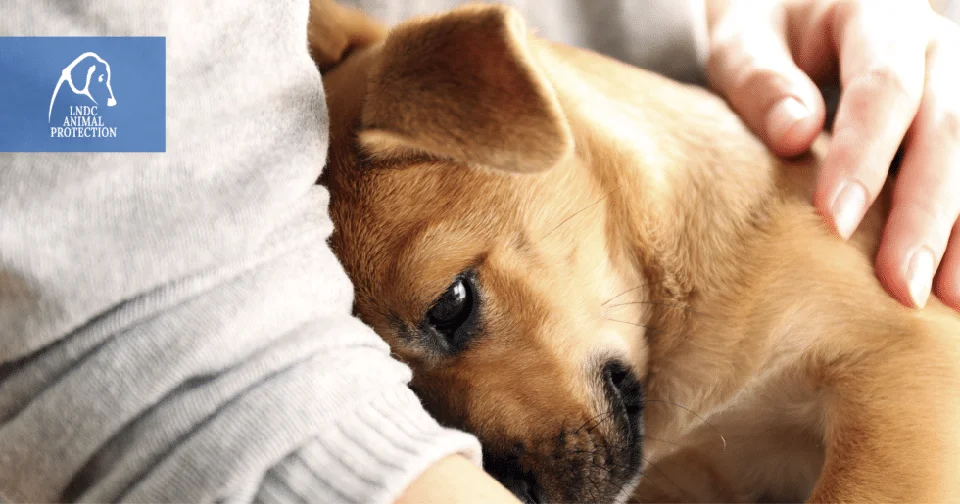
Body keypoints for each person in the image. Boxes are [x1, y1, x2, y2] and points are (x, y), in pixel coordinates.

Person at [0, 0, 957, 502]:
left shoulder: (760, 263)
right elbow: (56, 116)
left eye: (456, 307)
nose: (466, 432)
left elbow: (926, 382)